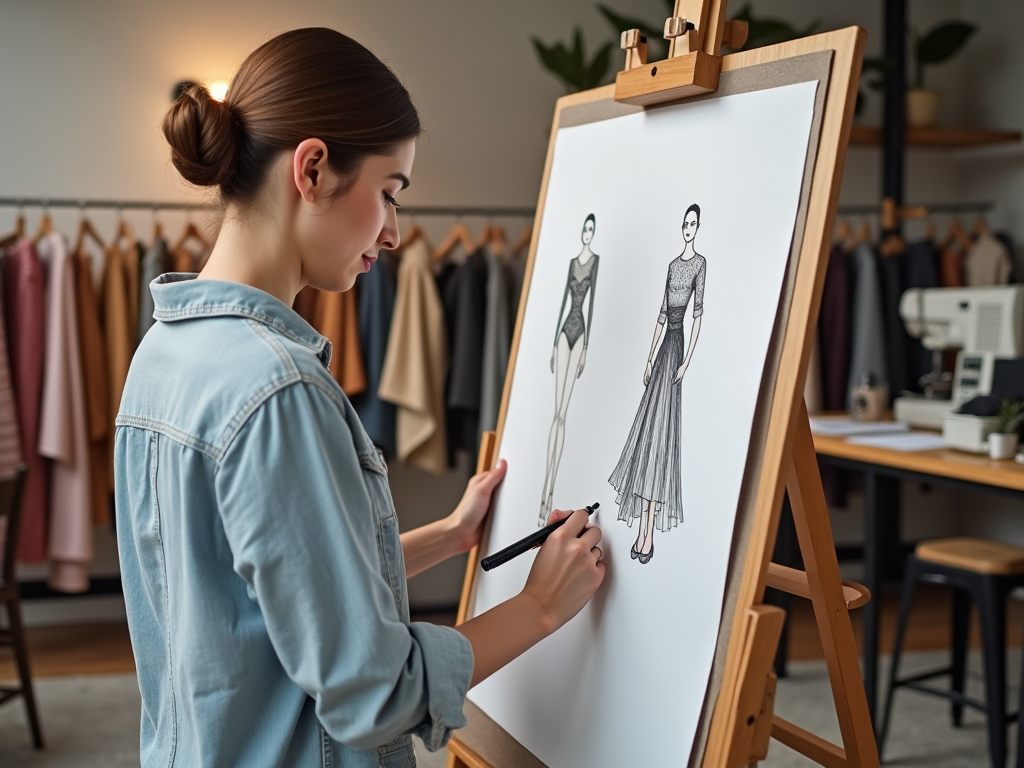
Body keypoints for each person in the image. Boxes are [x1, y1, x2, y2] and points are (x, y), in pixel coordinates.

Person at [114, 27, 605, 768]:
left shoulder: (164, 352)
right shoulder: (277, 388)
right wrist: (537, 609)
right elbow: (375, 691)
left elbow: (264, 596)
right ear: (311, 169)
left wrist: (448, 535)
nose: (396, 232)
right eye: (389, 192)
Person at [608, 203, 706, 565]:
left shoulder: (699, 265)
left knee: (663, 437)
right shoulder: (672, 266)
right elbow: (661, 315)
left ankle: (648, 529)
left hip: (678, 350)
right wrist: (648, 357)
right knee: (650, 435)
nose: (688, 228)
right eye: (685, 223)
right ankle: (643, 529)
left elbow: (698, 316)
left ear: (698, 228)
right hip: (665, 348)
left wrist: (687, 362)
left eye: (693, 224)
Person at [539, 213, 600, 525]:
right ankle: (546, 492)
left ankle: (549, 493)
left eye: (591, 229)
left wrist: (587, 346)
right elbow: (565, 302)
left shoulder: (595, 262)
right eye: (585, 229)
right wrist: (552, 344)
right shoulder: (574, 261)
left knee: (563, 412)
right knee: (556, 414)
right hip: (564, 332)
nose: (588, 233)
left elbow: (589, 305)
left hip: (580, 335)